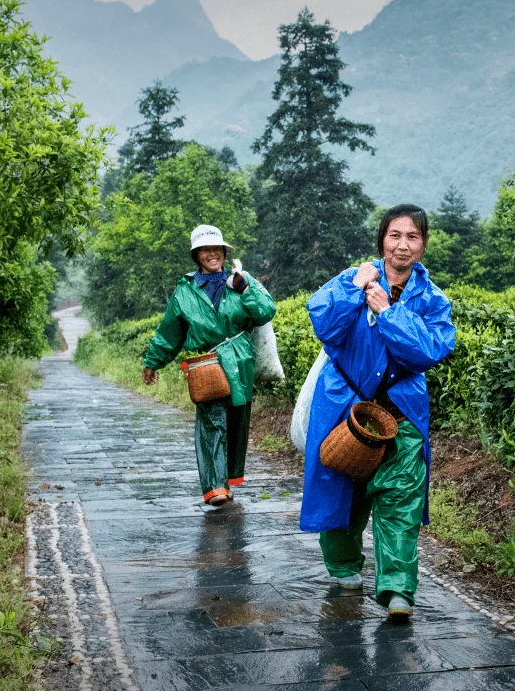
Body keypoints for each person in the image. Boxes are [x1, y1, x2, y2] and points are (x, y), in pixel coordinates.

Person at [300, 204, 456, 621]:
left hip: (401, 416)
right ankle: (345, 568)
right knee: (341, 494)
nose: (403, 246)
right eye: (395, 236)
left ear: (423, 244)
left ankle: (398, 590)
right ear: (382, 240)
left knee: (400, 504)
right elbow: (325, 326)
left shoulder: (433, 299)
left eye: (413, 237)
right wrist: (354, 289)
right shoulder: (353, 279)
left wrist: (388, 312)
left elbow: (426, 352)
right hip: (344, 412)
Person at [142, 225, 276, 507]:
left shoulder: (241, 281)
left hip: (240, 362)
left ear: (225, 253)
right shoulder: (184, 292)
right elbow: (169, 333)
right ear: (197, 255)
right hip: (207, 364)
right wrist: (153, 362)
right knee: (212, 421)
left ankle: (227, 480)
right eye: (205, 249)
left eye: (217, 248)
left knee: (237, 423)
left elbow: (266, 311)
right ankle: (215, 486)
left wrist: (246, 289)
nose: (212, 254)